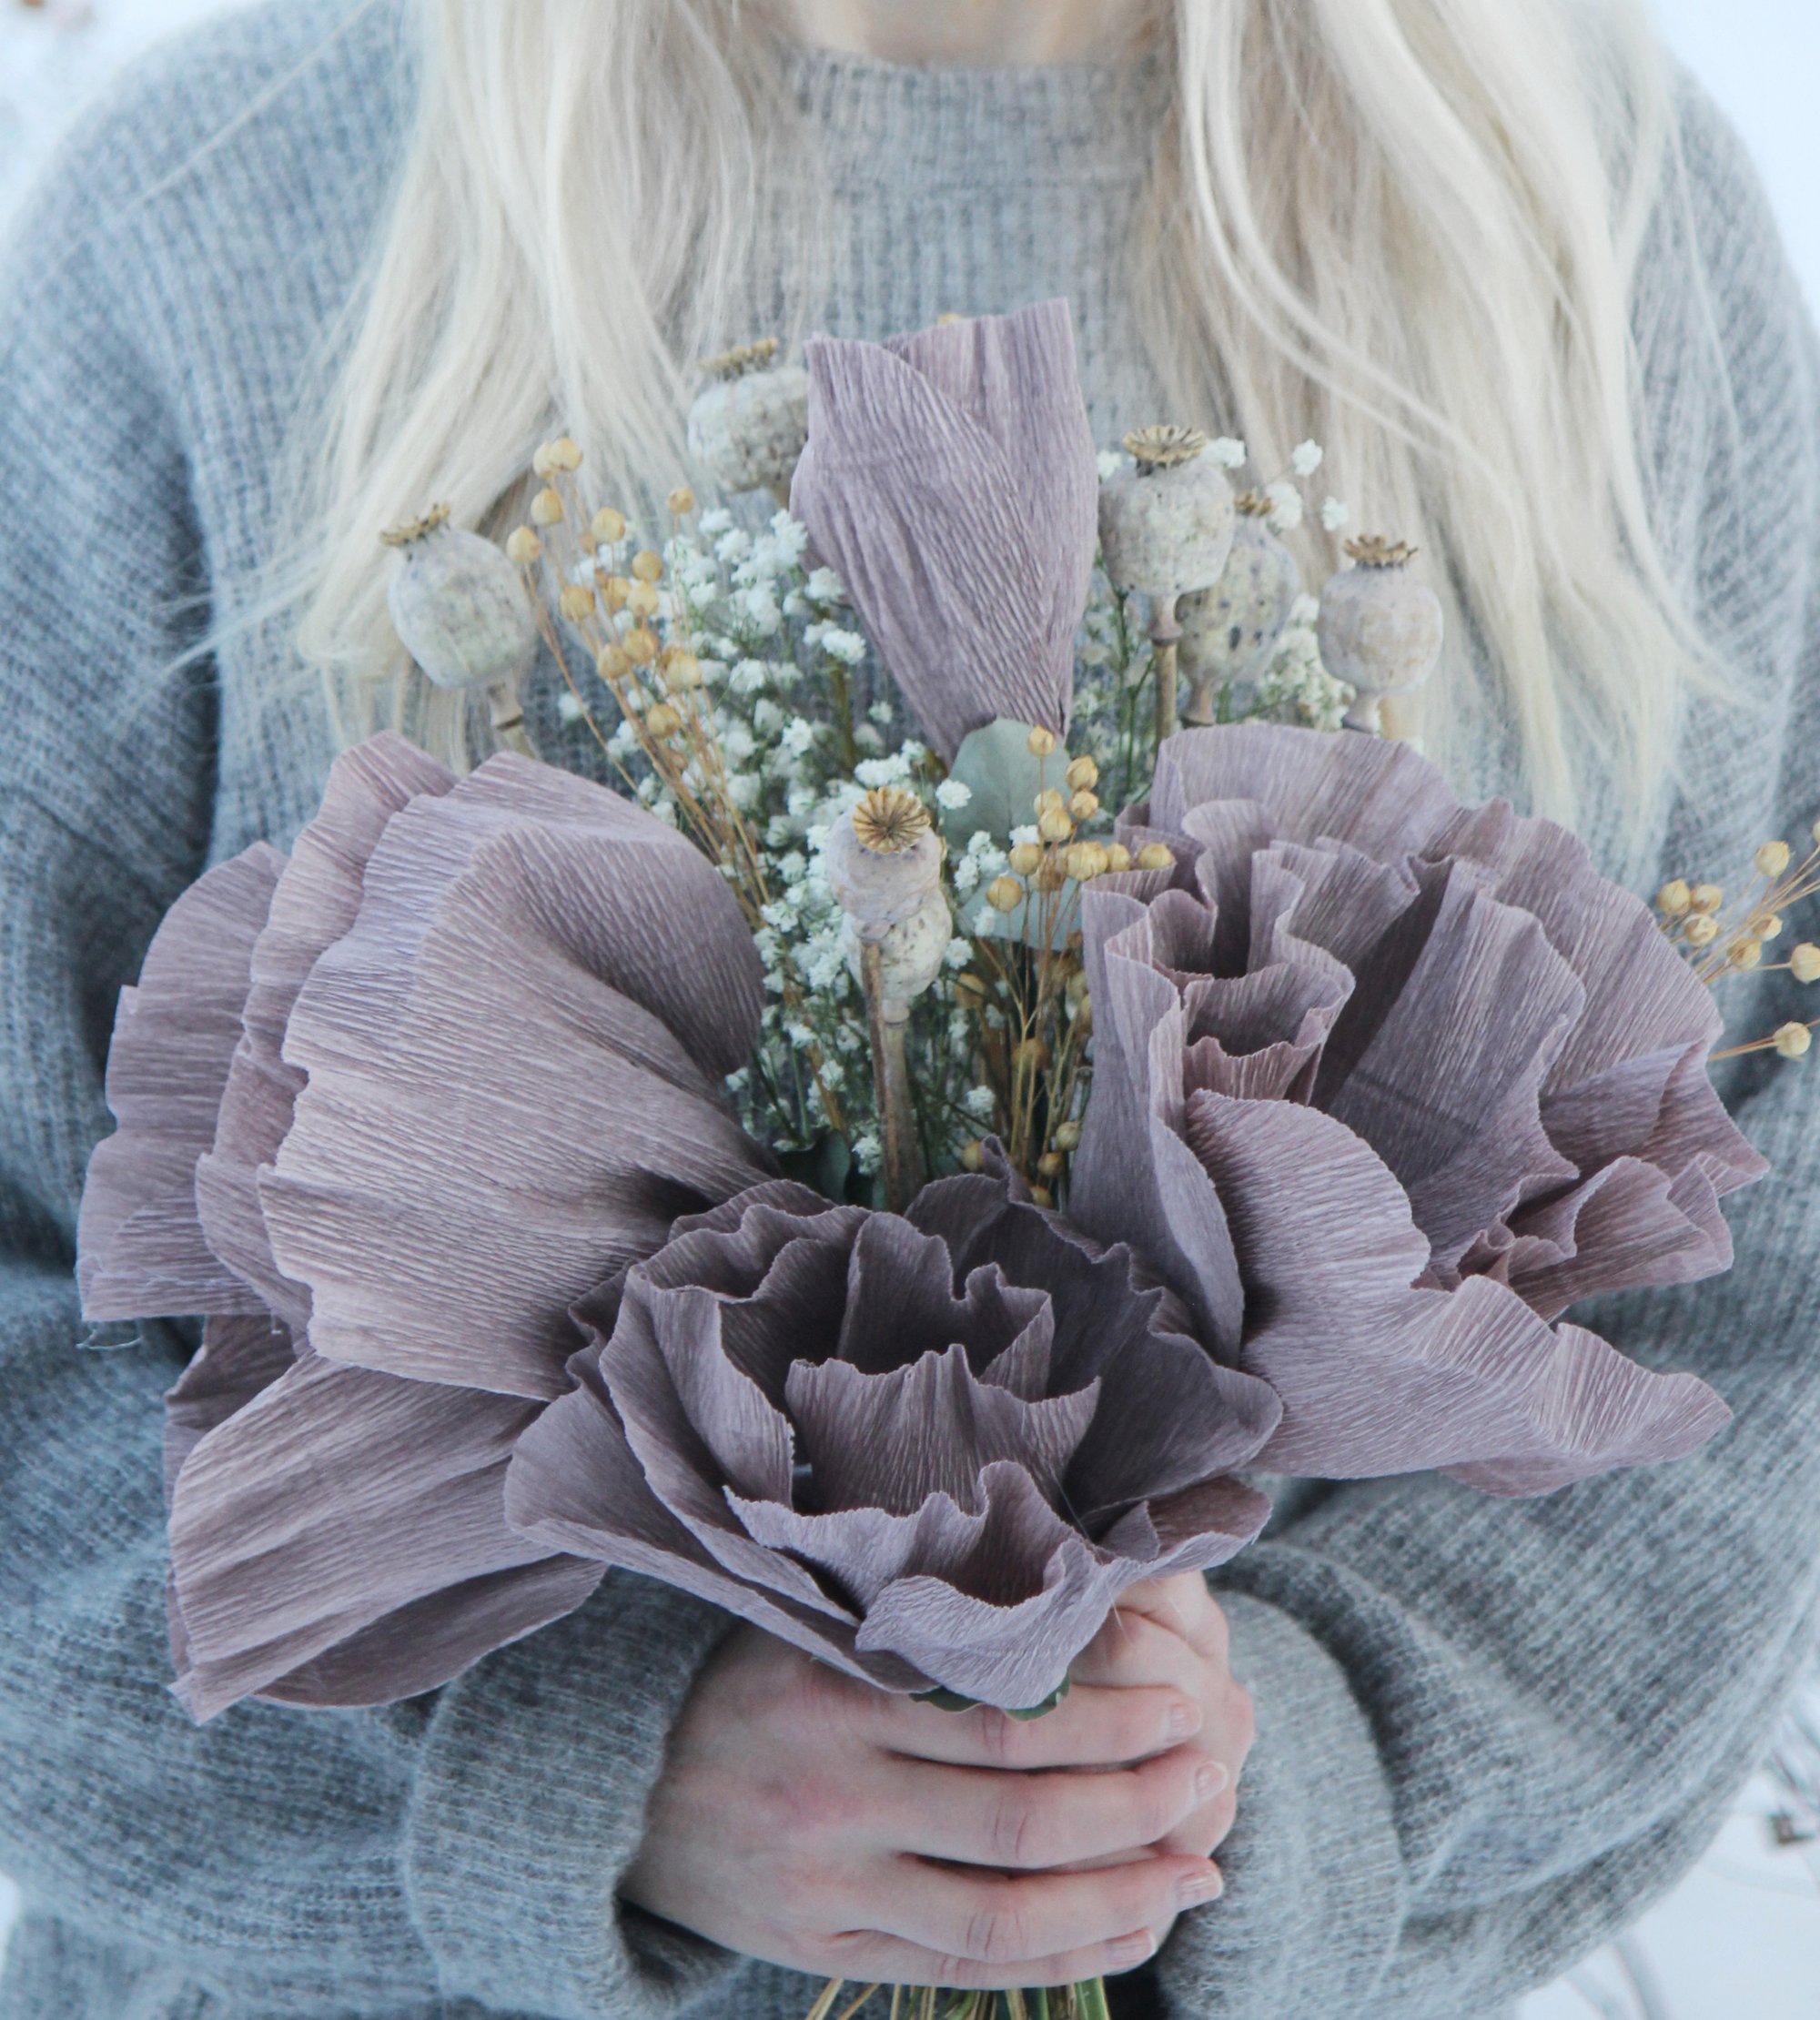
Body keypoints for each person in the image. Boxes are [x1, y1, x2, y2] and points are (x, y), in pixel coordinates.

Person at [1, 1, 1815, 2015]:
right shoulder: (222, 212)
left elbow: (1757, 1321)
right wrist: (565, 1779)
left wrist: (1250, 1787)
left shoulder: (1597, 231)